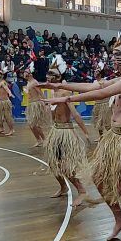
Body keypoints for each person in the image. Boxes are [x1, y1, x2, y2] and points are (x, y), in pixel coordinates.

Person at [42, 25, 121, 241]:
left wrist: (67, 100)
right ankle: (119, 218)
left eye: (118, 56)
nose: (114, 60)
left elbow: (102, 93)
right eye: (112, 56)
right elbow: (94, 85)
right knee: (98, 177)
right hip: (116, 139)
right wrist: (60, 85)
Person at [42, 56, 88, 207]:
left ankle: (81, 190)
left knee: (66, 166)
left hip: (65, 132)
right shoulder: (53, 92)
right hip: (56, 131)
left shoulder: (63, 92)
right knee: (53, 163)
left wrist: (85, 132)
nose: (47, 76)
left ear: (58, 77)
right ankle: (62, 187)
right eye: (48, 73)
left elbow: (74, 113)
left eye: (51, 74)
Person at [23, 63, 51, 147]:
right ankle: (39, 140)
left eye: (25, 72)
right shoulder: (28, 83)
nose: (24, 73)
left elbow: (40, 93)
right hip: (31, 104)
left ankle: (44, 139)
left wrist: (46, 103)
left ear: (30, 74)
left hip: (36, 104)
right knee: (31, 124)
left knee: (36, 124)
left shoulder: (34, 82)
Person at [91, 63, 113, 140]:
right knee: (98, 123)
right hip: (97, 104)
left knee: (107, 123)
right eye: (95, 71)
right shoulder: (94, 82)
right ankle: (101, 136)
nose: (94, 73)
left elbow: (109, 92)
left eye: (96, 72)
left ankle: (112, 137)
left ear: (100, 74)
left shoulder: (105, 82)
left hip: (105, 104)